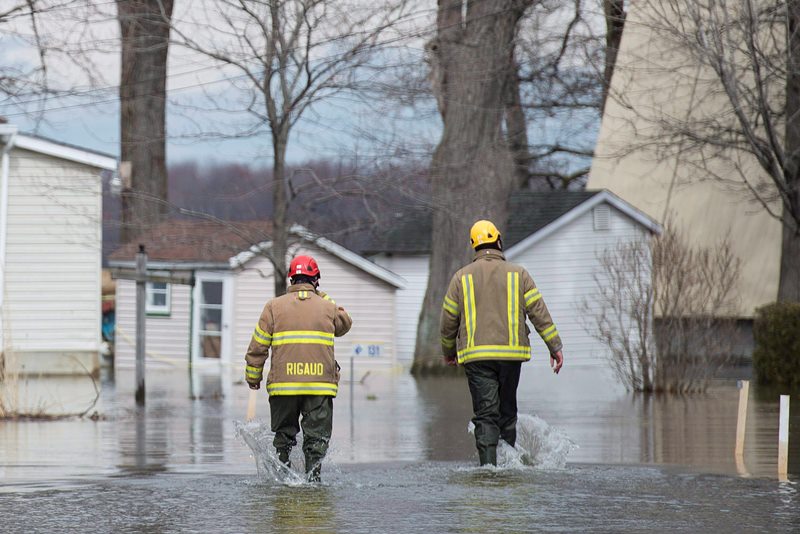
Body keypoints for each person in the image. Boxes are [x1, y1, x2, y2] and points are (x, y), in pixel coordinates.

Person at [440, 220, 564, 466]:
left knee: (486, 415)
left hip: (477, 358)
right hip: (511, 356)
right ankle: (509, 469)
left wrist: (448, 351)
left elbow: (448, 320)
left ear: (474, 246)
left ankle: (489, 469)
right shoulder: (519, 274)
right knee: (507, 414)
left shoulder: (460, 278)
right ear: (498, 241)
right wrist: (555, 346)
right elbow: (539, 312)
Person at [244, 254, 352, 482]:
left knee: (283, 438)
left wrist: (253, 378)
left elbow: (257, 346)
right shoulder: (327, 307)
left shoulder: (273, 307)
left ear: (291, 279)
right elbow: (345, 323)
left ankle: (283, 481)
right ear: (316, 280)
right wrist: (321, 295)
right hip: (319, 387)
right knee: (316, 441)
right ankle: (313, 484)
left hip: (284, 388)